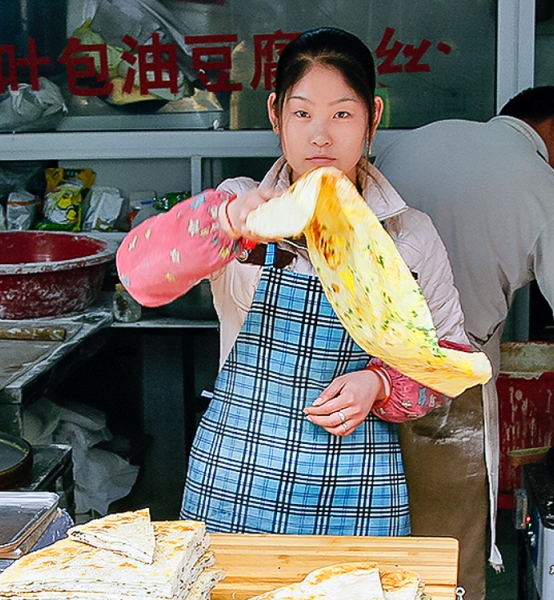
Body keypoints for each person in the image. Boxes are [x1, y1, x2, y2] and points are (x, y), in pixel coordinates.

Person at [117, 27, 478, 538]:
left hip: (362, 485)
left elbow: (449, 359)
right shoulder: (240, 204)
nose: (321, 135)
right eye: (303, 113)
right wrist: (224, 222)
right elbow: (140, 275)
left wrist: (379, 382)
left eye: (342, 114)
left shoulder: (408, 233)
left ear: (373, 118)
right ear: (275, 115)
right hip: (235, 477)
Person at [374, 85, 554, 600]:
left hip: (352, 363)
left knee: (360, 534)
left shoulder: (419, 140)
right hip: (444, 375)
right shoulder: (547, 193)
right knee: (447, 550)